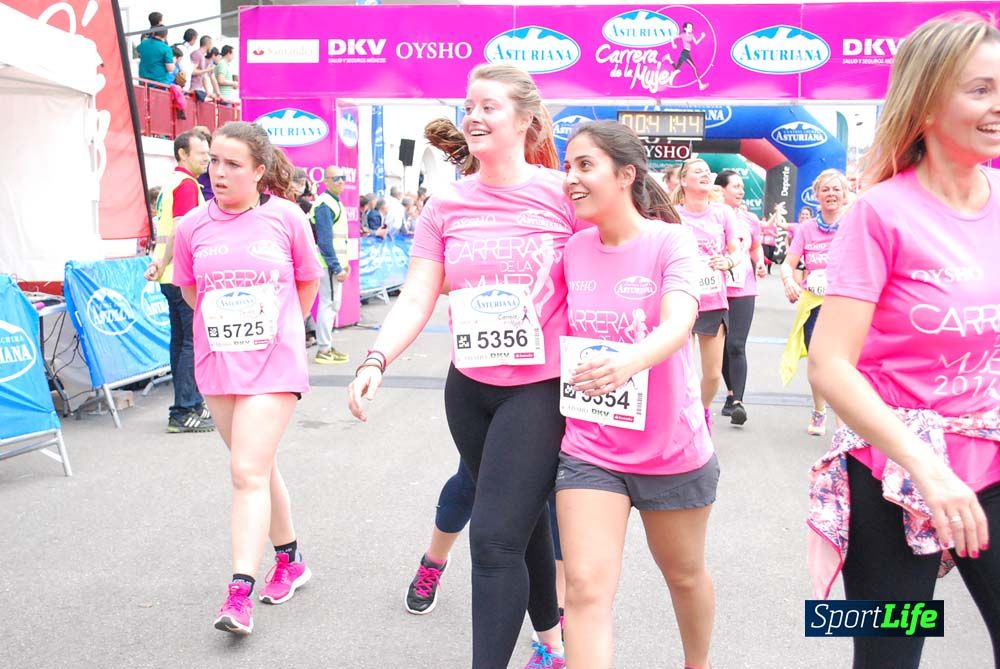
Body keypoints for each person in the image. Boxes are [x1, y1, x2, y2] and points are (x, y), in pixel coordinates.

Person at [349, 64, 576, 668]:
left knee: (494, 537)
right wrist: (376, 358)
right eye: (468, 105)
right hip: (469, 390)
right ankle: (552, 644)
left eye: (489, 106)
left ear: (527, 119)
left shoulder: (562, 195)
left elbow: (618, 264)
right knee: (520, 525)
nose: (473, 115)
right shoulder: (446, 202)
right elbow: (420, 294)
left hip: (540, 389)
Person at [807, 14, 999, 667]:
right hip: (886, 476)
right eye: (979, 89)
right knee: (887, 657)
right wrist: (925, 466)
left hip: (991, 466)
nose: (997, 104)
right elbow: (829, 365)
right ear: (925, 103)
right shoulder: (878, 211)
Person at [558, 120, 717, 669]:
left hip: (670, 450)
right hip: (590, 449)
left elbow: (679, 322)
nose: (571, 179)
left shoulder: (671, 241)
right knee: (582, 588)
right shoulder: (574, 249)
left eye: (585, 165)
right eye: (568, 166)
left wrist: (628, 362)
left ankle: (698, 663)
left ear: (626, 175)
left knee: (685, 575)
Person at [170, 121, 324, 635]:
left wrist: (278, 332)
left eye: (233, 164)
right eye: (213, 160)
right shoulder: (193, 225)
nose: (219, 172)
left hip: (274, 364)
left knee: (245, 472)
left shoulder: (286, 219)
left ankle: (239, 593)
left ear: (259, 171)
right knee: (256, 466)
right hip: (219, 364)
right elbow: (192, 293)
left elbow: (307, 282)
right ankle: (291, 559)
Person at [144, 131, 214, 433]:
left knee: (181, 342)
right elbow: (181, 233)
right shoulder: (186, 185)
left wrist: (159, 263)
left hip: (169, 275)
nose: (207, 158)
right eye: (201, 153)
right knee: (191, 344)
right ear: (183, 154)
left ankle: (190, 405)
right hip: (181, 276)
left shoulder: (173, 183)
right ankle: (184, 409)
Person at [778, 169, 850, 436]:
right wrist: (789, 282)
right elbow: (789, 263)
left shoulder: (854, 224)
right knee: (818, 361)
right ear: (816, 195)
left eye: (836, 189)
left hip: (846, 303)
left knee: (844, 362)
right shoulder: (807, 229)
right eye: (826, 190)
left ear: (844, 195)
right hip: (814, 304)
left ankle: (843, 419)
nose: (831, 194)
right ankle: (819, 410)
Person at [673, 158, 740, 432]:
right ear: (683, 181)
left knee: (712, 373)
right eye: (696, 171)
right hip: (681, 299)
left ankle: (701, 410)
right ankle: (683, 418)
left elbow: (735, 249)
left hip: (713, 300)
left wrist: (729, 261)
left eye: (706, 171)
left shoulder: (723, 213)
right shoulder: (672, 214)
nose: (704, 174)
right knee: (681, 369)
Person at [716, 170, 766, 426]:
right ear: (721, 189)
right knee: (720, 347)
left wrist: (759, 263)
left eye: (741, 186)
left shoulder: (750, 219)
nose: (740, 190)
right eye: (735, 186)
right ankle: (730, 391)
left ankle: (738, 402)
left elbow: (755, 245)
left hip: (744, 288)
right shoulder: (711, 217)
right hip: (716, 289)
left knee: (736, 344)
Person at [310, 165, 350, 364]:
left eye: (343, 178)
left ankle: (326, 346)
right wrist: (337, 266)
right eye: (336, 178)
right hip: (328, 265)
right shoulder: (325, 204)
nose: (341, 181)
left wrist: (344, 263)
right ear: (326, 181)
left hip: (332, 264)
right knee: (328, 305)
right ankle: (323, 349)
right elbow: (325, 241)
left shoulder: (333, 202)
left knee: (331, 305)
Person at [667, 22, 709, 90]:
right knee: (694, 68)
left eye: (691, 27)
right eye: (689, 27)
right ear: (685, 28)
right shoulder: (682, 35)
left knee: (677, 68)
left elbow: (696, 43)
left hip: (687, 53)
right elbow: (673, 38)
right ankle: (700, 85)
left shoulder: (691, 35)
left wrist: (702, 37)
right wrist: (673, 44)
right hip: (684, 53)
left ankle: (669, 59)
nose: (691, 29)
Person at [189, 35, 215, 102]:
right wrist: (207, 70)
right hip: (193, 88)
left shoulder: (202, 56)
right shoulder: (197, 54)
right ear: (208, 44)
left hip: (199, 88)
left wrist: (208, 92)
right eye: (211, 44)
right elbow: (192, 71)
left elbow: (203, 76)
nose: (212, 47)